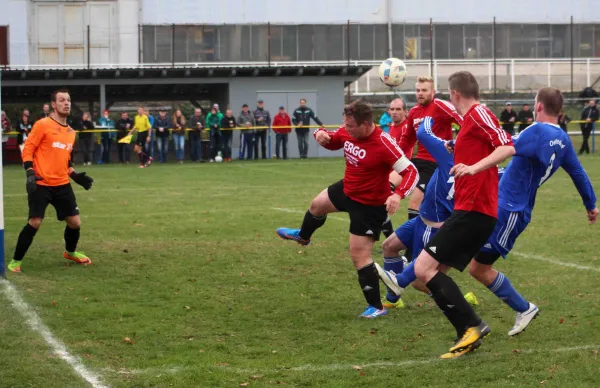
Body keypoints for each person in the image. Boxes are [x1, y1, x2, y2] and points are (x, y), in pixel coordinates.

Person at [468, 87, 598, 336]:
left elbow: (505, 146)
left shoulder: (537, 130)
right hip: (508, 205)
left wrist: (473, 162)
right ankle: (416, 277)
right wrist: (590, 205)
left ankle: (523, 308)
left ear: (538, 106)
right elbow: (579, 174)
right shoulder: (562, 140)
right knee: (462, 246)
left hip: (509, 210)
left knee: (478, 267)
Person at [276, 100, 419, 318]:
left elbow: (411, 171)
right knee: (316, 205)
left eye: (351, 126)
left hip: (369, 205)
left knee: (359, 255)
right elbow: (332, 139)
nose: (347, 129)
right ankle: (304, 236)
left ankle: (376, 307)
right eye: (346, 125)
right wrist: (320, 135)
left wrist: (397, 195)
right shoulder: (349, 131)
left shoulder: (383, 143)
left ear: (365, 124)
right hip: (348, 189)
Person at [413, 71, 515, 358]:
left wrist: (473, 168)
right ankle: (468, 331)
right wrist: (455, 149)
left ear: (455, 93)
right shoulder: (470, 120)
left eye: (448, 94)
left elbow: (507, 145)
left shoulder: (479, 113)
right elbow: (476, 148)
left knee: (423, 269)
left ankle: (472, 326)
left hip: (474, 211)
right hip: (469, 209)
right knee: (433, 273)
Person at [7, 89, 94, 273]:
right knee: (35, 222)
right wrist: (30, 172)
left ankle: (70, 252)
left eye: (69, 100)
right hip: (41, 182)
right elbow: (28, 150)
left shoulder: (71, 132)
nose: (67, 103)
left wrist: (76, 177)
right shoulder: (42, 125)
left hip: (62, 184)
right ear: (54, 105)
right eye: (62, 100)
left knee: (75, 223)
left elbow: (66, 161)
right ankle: (15, 261)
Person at [396, 76, 463, 263]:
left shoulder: (441, 106)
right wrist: (396, 157)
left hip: (438, 163)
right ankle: (429, 248)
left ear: (433, 92)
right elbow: (408, 139)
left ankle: (411, 255)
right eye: (418, 90)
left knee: (415, 205)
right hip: (419, 162)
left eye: (424, 90)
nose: (420, 93)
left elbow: (463, 119)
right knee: (389, 187)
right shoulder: (415, 112)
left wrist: (459, 143)